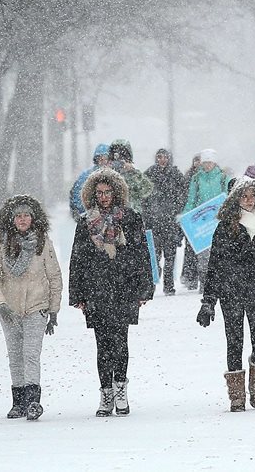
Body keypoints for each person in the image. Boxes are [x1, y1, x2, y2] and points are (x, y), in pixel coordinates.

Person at [196, 178, 255, 411]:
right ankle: (236, 393)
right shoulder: (224, 228)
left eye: (252, 196)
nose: (248, 200)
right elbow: (215, 266)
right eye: (244, 196)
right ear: (235, 200)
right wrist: (208, 301)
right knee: (234, 342)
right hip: (231, 293)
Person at [69, 169, 154, 417]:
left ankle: (121, 390)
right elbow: (78, 259)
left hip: (124, 287)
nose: (104, 197)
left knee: (121, 341)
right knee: (102, 344)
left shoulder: (130, 218)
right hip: (96, 289)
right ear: (92, 195)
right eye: (99, 193)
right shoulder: (85, 222)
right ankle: (105, 393)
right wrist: (78, 294)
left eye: (108, 192)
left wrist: (144, 288)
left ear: (116, 192)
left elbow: (141, 254)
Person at [0, 194, 63, 421]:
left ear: (33, 217)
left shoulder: (42, 242)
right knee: (15, 355)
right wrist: (0, 303)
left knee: (31, 354)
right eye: (18, 216)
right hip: (9, 309)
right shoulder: (2, 243)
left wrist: (53, 310)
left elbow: (55, 276)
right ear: (11, 219)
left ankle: (32, 401)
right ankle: (17, 401)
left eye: (26, 215)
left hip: (36, 307)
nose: (22, 220)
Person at [181, 148, 229, 291]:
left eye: (210, 162)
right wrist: (185, 215)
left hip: (218, 220)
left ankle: (220, 282)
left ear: (215, 163)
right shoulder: (196, 179)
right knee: (203, 255)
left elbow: (227, 196)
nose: (207, 165)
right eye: (205, 162)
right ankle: (205, 283)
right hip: (201, 222)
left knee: (220, 253)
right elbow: (191, 199)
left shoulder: (222, 178)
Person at [143, 148, 188, 295]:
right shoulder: (149, 174)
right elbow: (143, 196)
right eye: (159, 157)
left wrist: (176, 208)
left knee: (170, 256)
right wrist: (148, 213)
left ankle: (168, 286)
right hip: (154, 222)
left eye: (165, 157)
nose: (162, 160)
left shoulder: (175, 174)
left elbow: (183, 193)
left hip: (170, 222)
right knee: (154, 256)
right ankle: (152, 284)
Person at [109, 139, 153, 210]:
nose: (120, 162)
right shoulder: (107, 174)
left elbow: (147, 189)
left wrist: (133, 172)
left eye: (123, 158)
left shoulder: (134, 174)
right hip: (113, 214)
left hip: (133, 214)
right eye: (116, 159)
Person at [70, 143, 111, 218]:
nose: (103, 161)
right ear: (97, 160)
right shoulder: (86, 176)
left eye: (106, 158)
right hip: (91, 217)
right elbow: (77, 195)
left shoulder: (114, 175)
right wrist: (86, 212)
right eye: (100, 158)